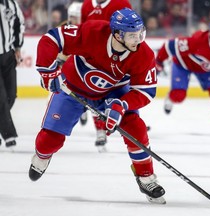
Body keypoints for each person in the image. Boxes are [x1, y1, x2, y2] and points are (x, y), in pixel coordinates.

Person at [28, 8, 166, 204]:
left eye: (140, 33)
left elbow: (145, 91)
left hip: (113, 94)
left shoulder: (143, 54)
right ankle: (42, 156)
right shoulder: (92, 32)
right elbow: (51, 39)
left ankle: (146, 177)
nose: (138, 39)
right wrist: (47, 71)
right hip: (73, 88)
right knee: (49, 141)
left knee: (136, 128)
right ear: (117, 35)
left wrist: (122, 104)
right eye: (132, 35)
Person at [155, 18, 210, 135]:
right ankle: (170, 97)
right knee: (178, 96)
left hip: (204, 69)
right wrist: (159, 63)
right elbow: (169, 46)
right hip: (182, 64)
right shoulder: (197, 40)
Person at [80, 0, 132, 150]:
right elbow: (83, 30)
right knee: (93, 94)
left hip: (115, 58)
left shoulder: (122, 3)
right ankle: (100, 131)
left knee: (120, 93)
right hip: (92, 58)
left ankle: (130, 121)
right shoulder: (87, 5)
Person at [0, 0, 25, 147]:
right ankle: (9, 135)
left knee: (11, 94)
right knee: (1, 97)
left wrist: (17, 47)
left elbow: (19, 24)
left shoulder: (12, 4)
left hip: (8, 55)